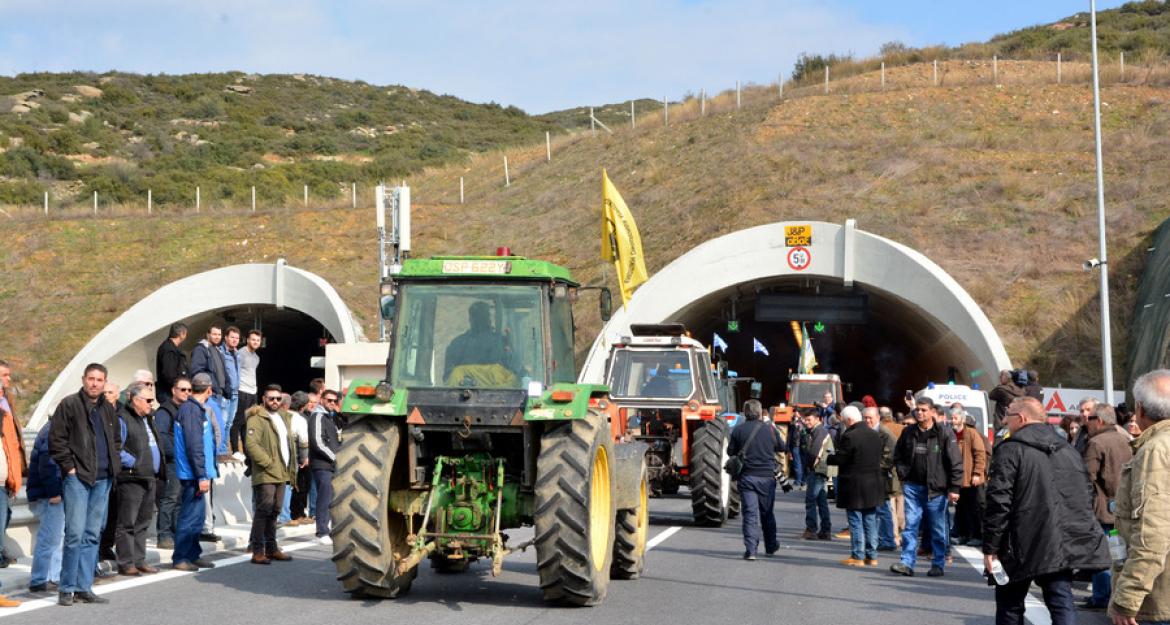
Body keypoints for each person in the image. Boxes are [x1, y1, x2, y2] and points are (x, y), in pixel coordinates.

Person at [983, 397, 1110, 625]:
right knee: (1061, 600)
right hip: (1059, 539)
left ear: (1021, 418)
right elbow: (1084, 494)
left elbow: (998, 502)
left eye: (1008, 414)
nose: (1004, 420)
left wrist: (991, 547)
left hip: (1018, 541)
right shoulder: (1068, 450)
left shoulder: (1010, 449)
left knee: (1010, 604)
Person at [48, 363, 121, 606]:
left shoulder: (108, 409)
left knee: (92, 535)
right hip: (78, 479)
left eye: (100, 380)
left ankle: (83, 586)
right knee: (75, 534)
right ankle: (66, 588)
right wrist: (69, 468)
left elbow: (116, 440)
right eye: (91, 379)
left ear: (104, 383)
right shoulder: (69, 404)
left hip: (103, 479)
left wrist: (113, 464)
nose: (95, 384)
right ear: (83, 379)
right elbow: (56, 440)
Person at [1108, 370, 1170, 625]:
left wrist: (1126, 599)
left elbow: (1153, 532)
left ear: (1140, 409)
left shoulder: (1156, 449)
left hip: (1158, 599)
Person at [890, 397, 962, 578]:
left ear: (931, 411)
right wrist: (902, 473)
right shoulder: (909, 432)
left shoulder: (944, 433)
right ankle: (907, 562)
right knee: (911, 526)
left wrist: (955, 488)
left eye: (923, 410)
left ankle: (938, 563)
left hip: (936, 490)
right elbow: (898, 454)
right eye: (918, 410)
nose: (919, 413)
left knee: (937, 529)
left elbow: (955, 462)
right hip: (913, 487)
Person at [1081, 403, 1132, 611]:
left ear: (1099, 421)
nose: (1087, 421)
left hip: (1102, 510)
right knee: (1118, 554)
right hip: (1122, 508)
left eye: (1090, 418)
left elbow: (1086, 478)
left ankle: (1102, 596)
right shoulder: (1126, 440)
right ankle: (1113, 596)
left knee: (1102, 554)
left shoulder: (1096, 443)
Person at [114, 382, 163, 576]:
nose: (152, 403)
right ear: (135, 400)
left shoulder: (148, 418)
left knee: (143, 522)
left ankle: (139, 559)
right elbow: (116, 447)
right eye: (148, 400)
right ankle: (126, 562)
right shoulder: (123, 418)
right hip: (132, 478)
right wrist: (133, 462)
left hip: (149, 476)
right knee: (127, 522)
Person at [245, 385, 297, 564]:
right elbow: (252, 445)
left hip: (282, 471)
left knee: (275, 511)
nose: (275, 401)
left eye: (278, 398)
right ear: (264, 399)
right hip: (266, 472)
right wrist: (268, 463)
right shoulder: (257, 418)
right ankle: (258, 550)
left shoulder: (283, 417)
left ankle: (272, 548)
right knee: (263, 510)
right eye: (271, 398)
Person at [828, 405, 885, 567]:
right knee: (870, 520)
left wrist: (830, 458)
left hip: (854, 485)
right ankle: (872, 556)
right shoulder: (875, 435)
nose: (844, 424)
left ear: (850, 420)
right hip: (873, 483)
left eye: (845, 421)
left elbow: (842, 458)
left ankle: (857, 555)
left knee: (855, 520)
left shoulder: (850, 436)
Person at [728, 399, 784, 560]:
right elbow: (782, 447)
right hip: (767, 477)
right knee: (767, 513)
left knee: (750, 514)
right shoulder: (770, 430)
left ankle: (751, 550)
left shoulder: (738, 430)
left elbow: (730, 451)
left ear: (745, 413)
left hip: (747, 477)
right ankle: (771, 545)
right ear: (760, 413)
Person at [171, 373, 217, 572]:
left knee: (197, 518)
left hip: (198, 472)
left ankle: (192, 554)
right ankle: (181, 556)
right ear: (209, 390)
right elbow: (194, 445)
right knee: (190, 517)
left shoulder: (195, 409)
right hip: (193, 474)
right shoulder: (191, 411)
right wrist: (201, 475)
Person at [27, 421, 64, 596]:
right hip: (49, 494)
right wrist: (54, 492)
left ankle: (52, 577)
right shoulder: (54, 430)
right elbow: (48, 464)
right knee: (50, 538)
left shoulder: (55, 427)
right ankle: (40, 579)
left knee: (55, 537)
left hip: (50, 492)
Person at [0, 358, 27, 591]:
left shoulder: (6, 401)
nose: (9, 379)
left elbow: (13, 442)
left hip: (7, 478)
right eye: (5, 375)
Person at [951, 407, 988, 548]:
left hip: (972, 478)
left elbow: (980, 454)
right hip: (958, 479)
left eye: (955, 418)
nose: (953, 420)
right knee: (961, 508)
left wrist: (977, 473)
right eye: (952, 417)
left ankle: (977, 536)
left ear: (962, 419)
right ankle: (963, 535)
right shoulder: (951, 434)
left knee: (976, 508)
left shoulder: (972, 434)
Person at [309, 389, 342, 544]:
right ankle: (322, 531)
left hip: (331, 464)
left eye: (335, 401)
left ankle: (327, 528)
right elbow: (317, 442)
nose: (332, 403)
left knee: (331, 498)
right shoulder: (318, 416)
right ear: (321, 400)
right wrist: (334, 457)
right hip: (323, 464)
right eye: (329, 400)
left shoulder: (331, 418)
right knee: (324, 497)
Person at [444, 301, 507, 380]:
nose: (480, 320)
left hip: (501, 391)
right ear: (471, 319)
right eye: (477, 316)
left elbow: (514, 373)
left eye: (483, 316)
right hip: (464, 391)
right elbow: (448, 378)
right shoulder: (457, 345)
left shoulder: (502, 342)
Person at [799, 409, 834, 540]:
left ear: (817, 419)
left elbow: (814, 453)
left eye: (809, 420)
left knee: (811, 500)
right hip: (822, 469)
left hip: (818, 469)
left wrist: (808, 466)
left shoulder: (819, 432)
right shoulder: (817, 431)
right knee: (821, 500)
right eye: (805, 419)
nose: (806, 422)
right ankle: (825, 530)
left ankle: (811, 529)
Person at [286, 391, 312, 525]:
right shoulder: (300, 419)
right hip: (296, 455)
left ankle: (289, 514)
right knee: (297, 485)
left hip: (283, 454)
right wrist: (304, 458)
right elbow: (303, 441)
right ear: (303, 407)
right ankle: (295, 514)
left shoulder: (282, 416)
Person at [234, 329, 262, 455]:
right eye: (253, 339)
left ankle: (246, 451)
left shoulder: (257, 357)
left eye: (258, 340)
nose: (255, 342)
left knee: (249, 422)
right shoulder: (240, 353)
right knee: (238, 421)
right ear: (247, 340)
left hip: (252, 392)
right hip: (242, 391)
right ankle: (235, 449)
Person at [190, 324, 228, 409]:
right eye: (214, 334)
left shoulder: (218, 351)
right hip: (210, 394)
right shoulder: (200, 349)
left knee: (220, 421)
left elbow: (223, 372)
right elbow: (197, 372)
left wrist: (227, 390)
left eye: (219, 334)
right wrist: (210, 387)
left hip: (220, 394)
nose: (217, 337)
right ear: (208, 335)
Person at [217, 327, 241, 457]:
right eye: (232, 337)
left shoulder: (237, 354)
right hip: (226, 392)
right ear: (225, 337)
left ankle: (225, 449)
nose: (234, 340)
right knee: (223, 421)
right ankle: (220, 449)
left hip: (236, 393)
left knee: (230, 423)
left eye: (237, 338)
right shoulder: (221, 352)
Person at [989, 369, 1024, 433]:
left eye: (1001, 377)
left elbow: (990, 395)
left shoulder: (1001, 389)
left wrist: (1000, 386)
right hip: (1015, 423)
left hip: (1001, 423)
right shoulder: (1021, 390)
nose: (999, 378)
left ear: (1006, 378)